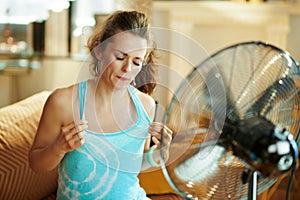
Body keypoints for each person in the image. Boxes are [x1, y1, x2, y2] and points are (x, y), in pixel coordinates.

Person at [29, 10, 173, 200]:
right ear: (99, 50)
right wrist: (59, 148)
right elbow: (35, 163)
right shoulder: (63, 102)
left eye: (137, 62)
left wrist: (159, 153)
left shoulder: (146, 106)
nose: (128, 69)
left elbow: (132, 167)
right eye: (120, 57)